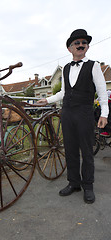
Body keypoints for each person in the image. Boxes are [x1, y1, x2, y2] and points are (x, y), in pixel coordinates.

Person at [37, 29, 109, 204]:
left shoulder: (93, 66)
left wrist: (104, 114)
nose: (81, 45)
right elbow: (63, 92)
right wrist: (47, 99)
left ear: (87, 47)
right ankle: (74, 183)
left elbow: (101, 92)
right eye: (77, 43)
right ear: (70, 48)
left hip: (84, 112)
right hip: (67, 112)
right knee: (70, 150)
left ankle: (88, 186)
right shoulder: (66, 68)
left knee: (87, 150)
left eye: (84, 43)